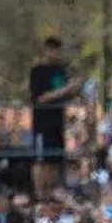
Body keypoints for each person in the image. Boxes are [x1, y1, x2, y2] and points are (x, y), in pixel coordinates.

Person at [29, 36, 81, 201]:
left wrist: (74, 88)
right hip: (42, 123)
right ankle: (40, 195)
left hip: (58, 122)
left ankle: (51, 193)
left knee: (54, 159)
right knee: (41, 159)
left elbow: (67, 94)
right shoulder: (37, 71)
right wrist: (66, 89)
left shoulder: (60, 70)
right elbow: (40, 98)